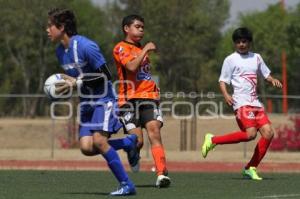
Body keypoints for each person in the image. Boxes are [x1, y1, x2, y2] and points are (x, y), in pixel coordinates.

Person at [46, 8, 137, 196]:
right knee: (87, 148)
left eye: (50, 26)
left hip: (104, 99)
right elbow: (76, 79)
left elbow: (106, 75)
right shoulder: (60, 52)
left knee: (100, 141)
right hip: (86, 102)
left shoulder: (86, 46)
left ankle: (127, 185)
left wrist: (77, 82)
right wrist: (65, 83)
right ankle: (128, 142)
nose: (47, 30)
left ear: (61, 27)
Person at [201, 27, 282, 180]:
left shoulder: (256, 57)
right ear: (235, 44)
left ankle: (250, 168)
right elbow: (222, 80)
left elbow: (266, 74)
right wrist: (226, 95)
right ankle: (212, 140)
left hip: (256, 103)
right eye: (238, 42)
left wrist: (272, 80)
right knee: (251, 134)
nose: (241, 44)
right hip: (241, 103)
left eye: (244, 41)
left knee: (269, 133)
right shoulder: (230, 59)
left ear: (249, 42)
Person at [113, 14, 171, 188]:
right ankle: (132, 153)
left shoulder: (141, 49)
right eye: (137, 26)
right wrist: (145, 50)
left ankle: (161, 174)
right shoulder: (121, 48)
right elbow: (131, 67)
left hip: (148, 98)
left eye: (142, 27)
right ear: (126, 29)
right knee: (137, 141)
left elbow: (144, 76)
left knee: (154, 131)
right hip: (128, 100)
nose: (141, 30)